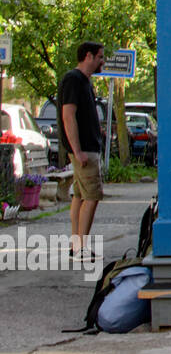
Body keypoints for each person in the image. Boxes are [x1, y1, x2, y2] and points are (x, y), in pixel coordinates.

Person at [58, 42, 105, 258]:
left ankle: (75, 243)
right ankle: (81, 247)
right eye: (100, 57)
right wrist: (77, 151)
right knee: (92, 196)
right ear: (88, 56)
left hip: (86, 148)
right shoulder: (73, 80)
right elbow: (68, 116)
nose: (102, 61)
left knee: (79, 195)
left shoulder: (84, 81)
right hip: (84, 150)